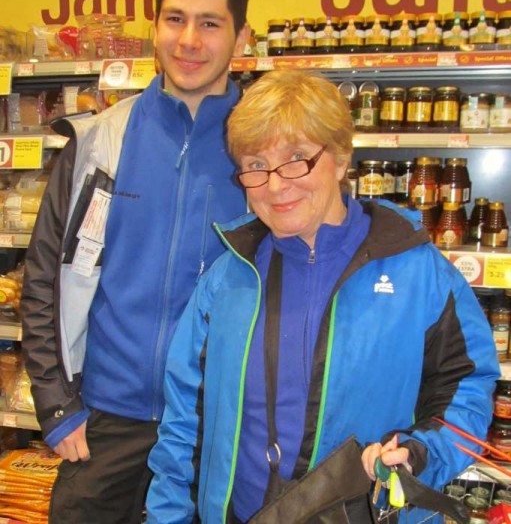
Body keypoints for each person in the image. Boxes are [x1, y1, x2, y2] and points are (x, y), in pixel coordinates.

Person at [146, 69, 500, 523]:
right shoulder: (228, 279)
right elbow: (181, 425)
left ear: (340, 157)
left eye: (296, 158)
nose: (275, 185)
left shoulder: (420, 273)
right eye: (256, 165)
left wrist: (420, 453)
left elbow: (468, 386)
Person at [21, 0, 250, 524]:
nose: (189, 41)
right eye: (175, 19)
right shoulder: (99, 142)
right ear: (155, 26)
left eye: (209, 23)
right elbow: (45, 277)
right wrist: (56, 407)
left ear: (240, 38)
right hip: (102, 423)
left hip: (213, 426)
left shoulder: (263, 151)